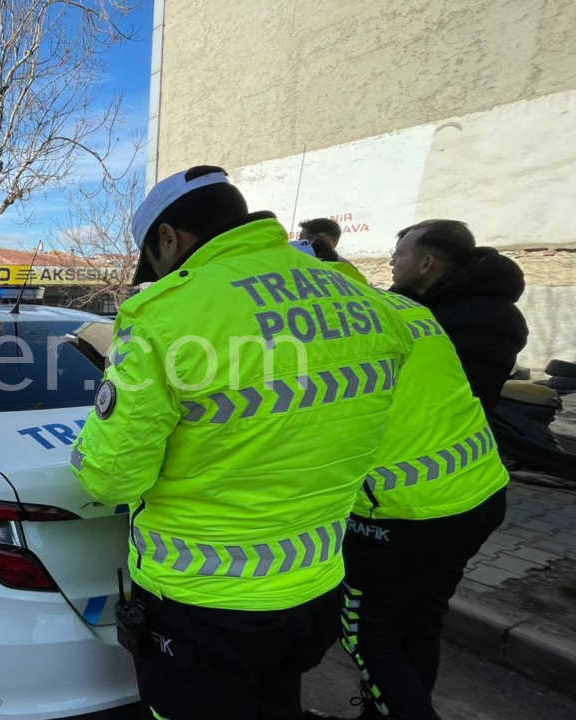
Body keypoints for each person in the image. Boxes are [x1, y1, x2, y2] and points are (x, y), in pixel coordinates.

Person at [71, 166, 415, 720]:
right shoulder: (358, 298)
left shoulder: (166, 315)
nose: (155, 274)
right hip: (317, 580)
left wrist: (86, 446)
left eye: (154, 260)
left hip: (204, 603)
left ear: (168, 239)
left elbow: (114, 478)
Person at [306, 268, 510, 720]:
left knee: (367, 635)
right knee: (421, 620)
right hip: (478, 493)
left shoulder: (324, 329)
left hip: (402, 513)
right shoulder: (406, 308)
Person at [389, 219, 528, 416]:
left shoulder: (487, 319)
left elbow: (440, 397)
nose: (392, 262)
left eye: (399, 254)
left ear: (426, 263)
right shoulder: (410, 303)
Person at [297, 218, 368, 284]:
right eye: (300, 239)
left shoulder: (345, 267)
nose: (300, 242)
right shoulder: (347, 267)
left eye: (308, 238)